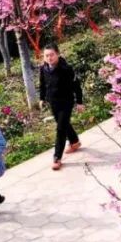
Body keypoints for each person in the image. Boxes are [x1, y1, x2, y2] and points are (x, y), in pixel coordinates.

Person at [38, 43, 84, 171]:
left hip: (66, 101)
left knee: (60, 129)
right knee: (63, 124)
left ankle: (57, 157)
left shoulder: (66, 68)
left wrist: (79, 102)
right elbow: (42, 84)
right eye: (46, 55)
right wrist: (42, 98)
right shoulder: (43, 68)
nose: (49, 58)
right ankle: (74, 142)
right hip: (53, 102)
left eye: (52, 55)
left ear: (57, 54)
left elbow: (76, 86)